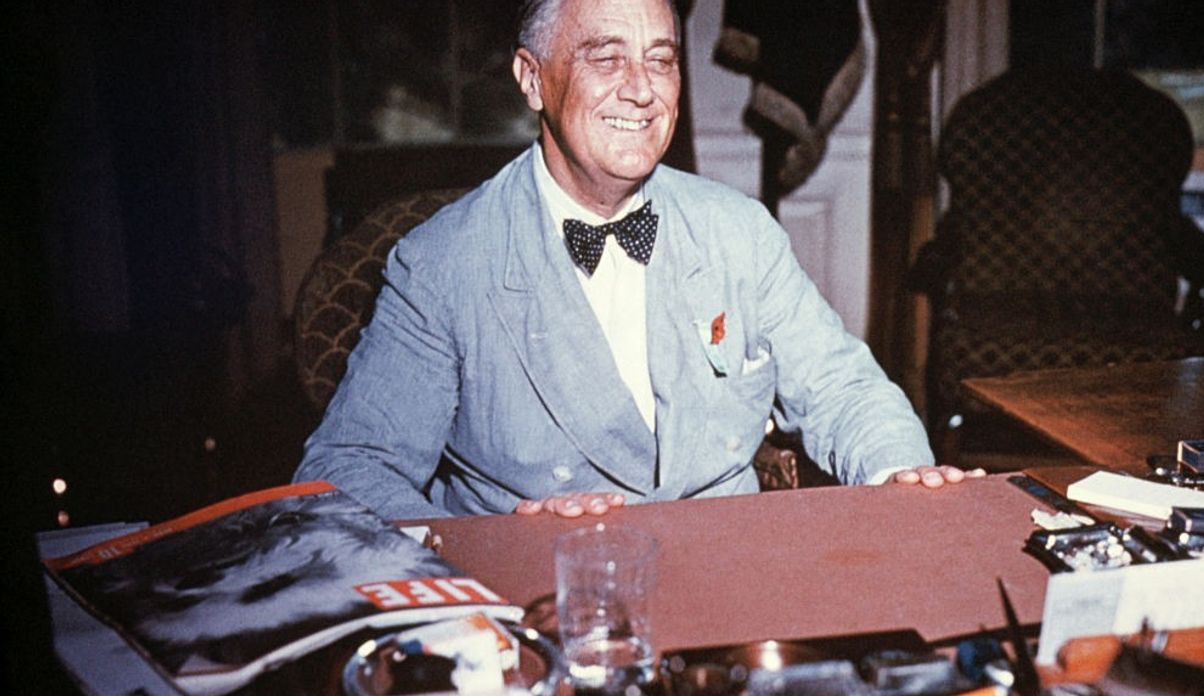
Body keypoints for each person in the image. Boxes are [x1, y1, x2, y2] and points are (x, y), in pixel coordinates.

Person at [295, 0, 983, 520]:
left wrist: (897, 474)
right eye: (604, 57)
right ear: (531, 79)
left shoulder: (739, 230)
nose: (641, 89)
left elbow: (843, 389)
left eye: (660, 59)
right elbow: (352, 467)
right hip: (544, 599)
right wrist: (494, 547)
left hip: (729, 576)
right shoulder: (441, 264)